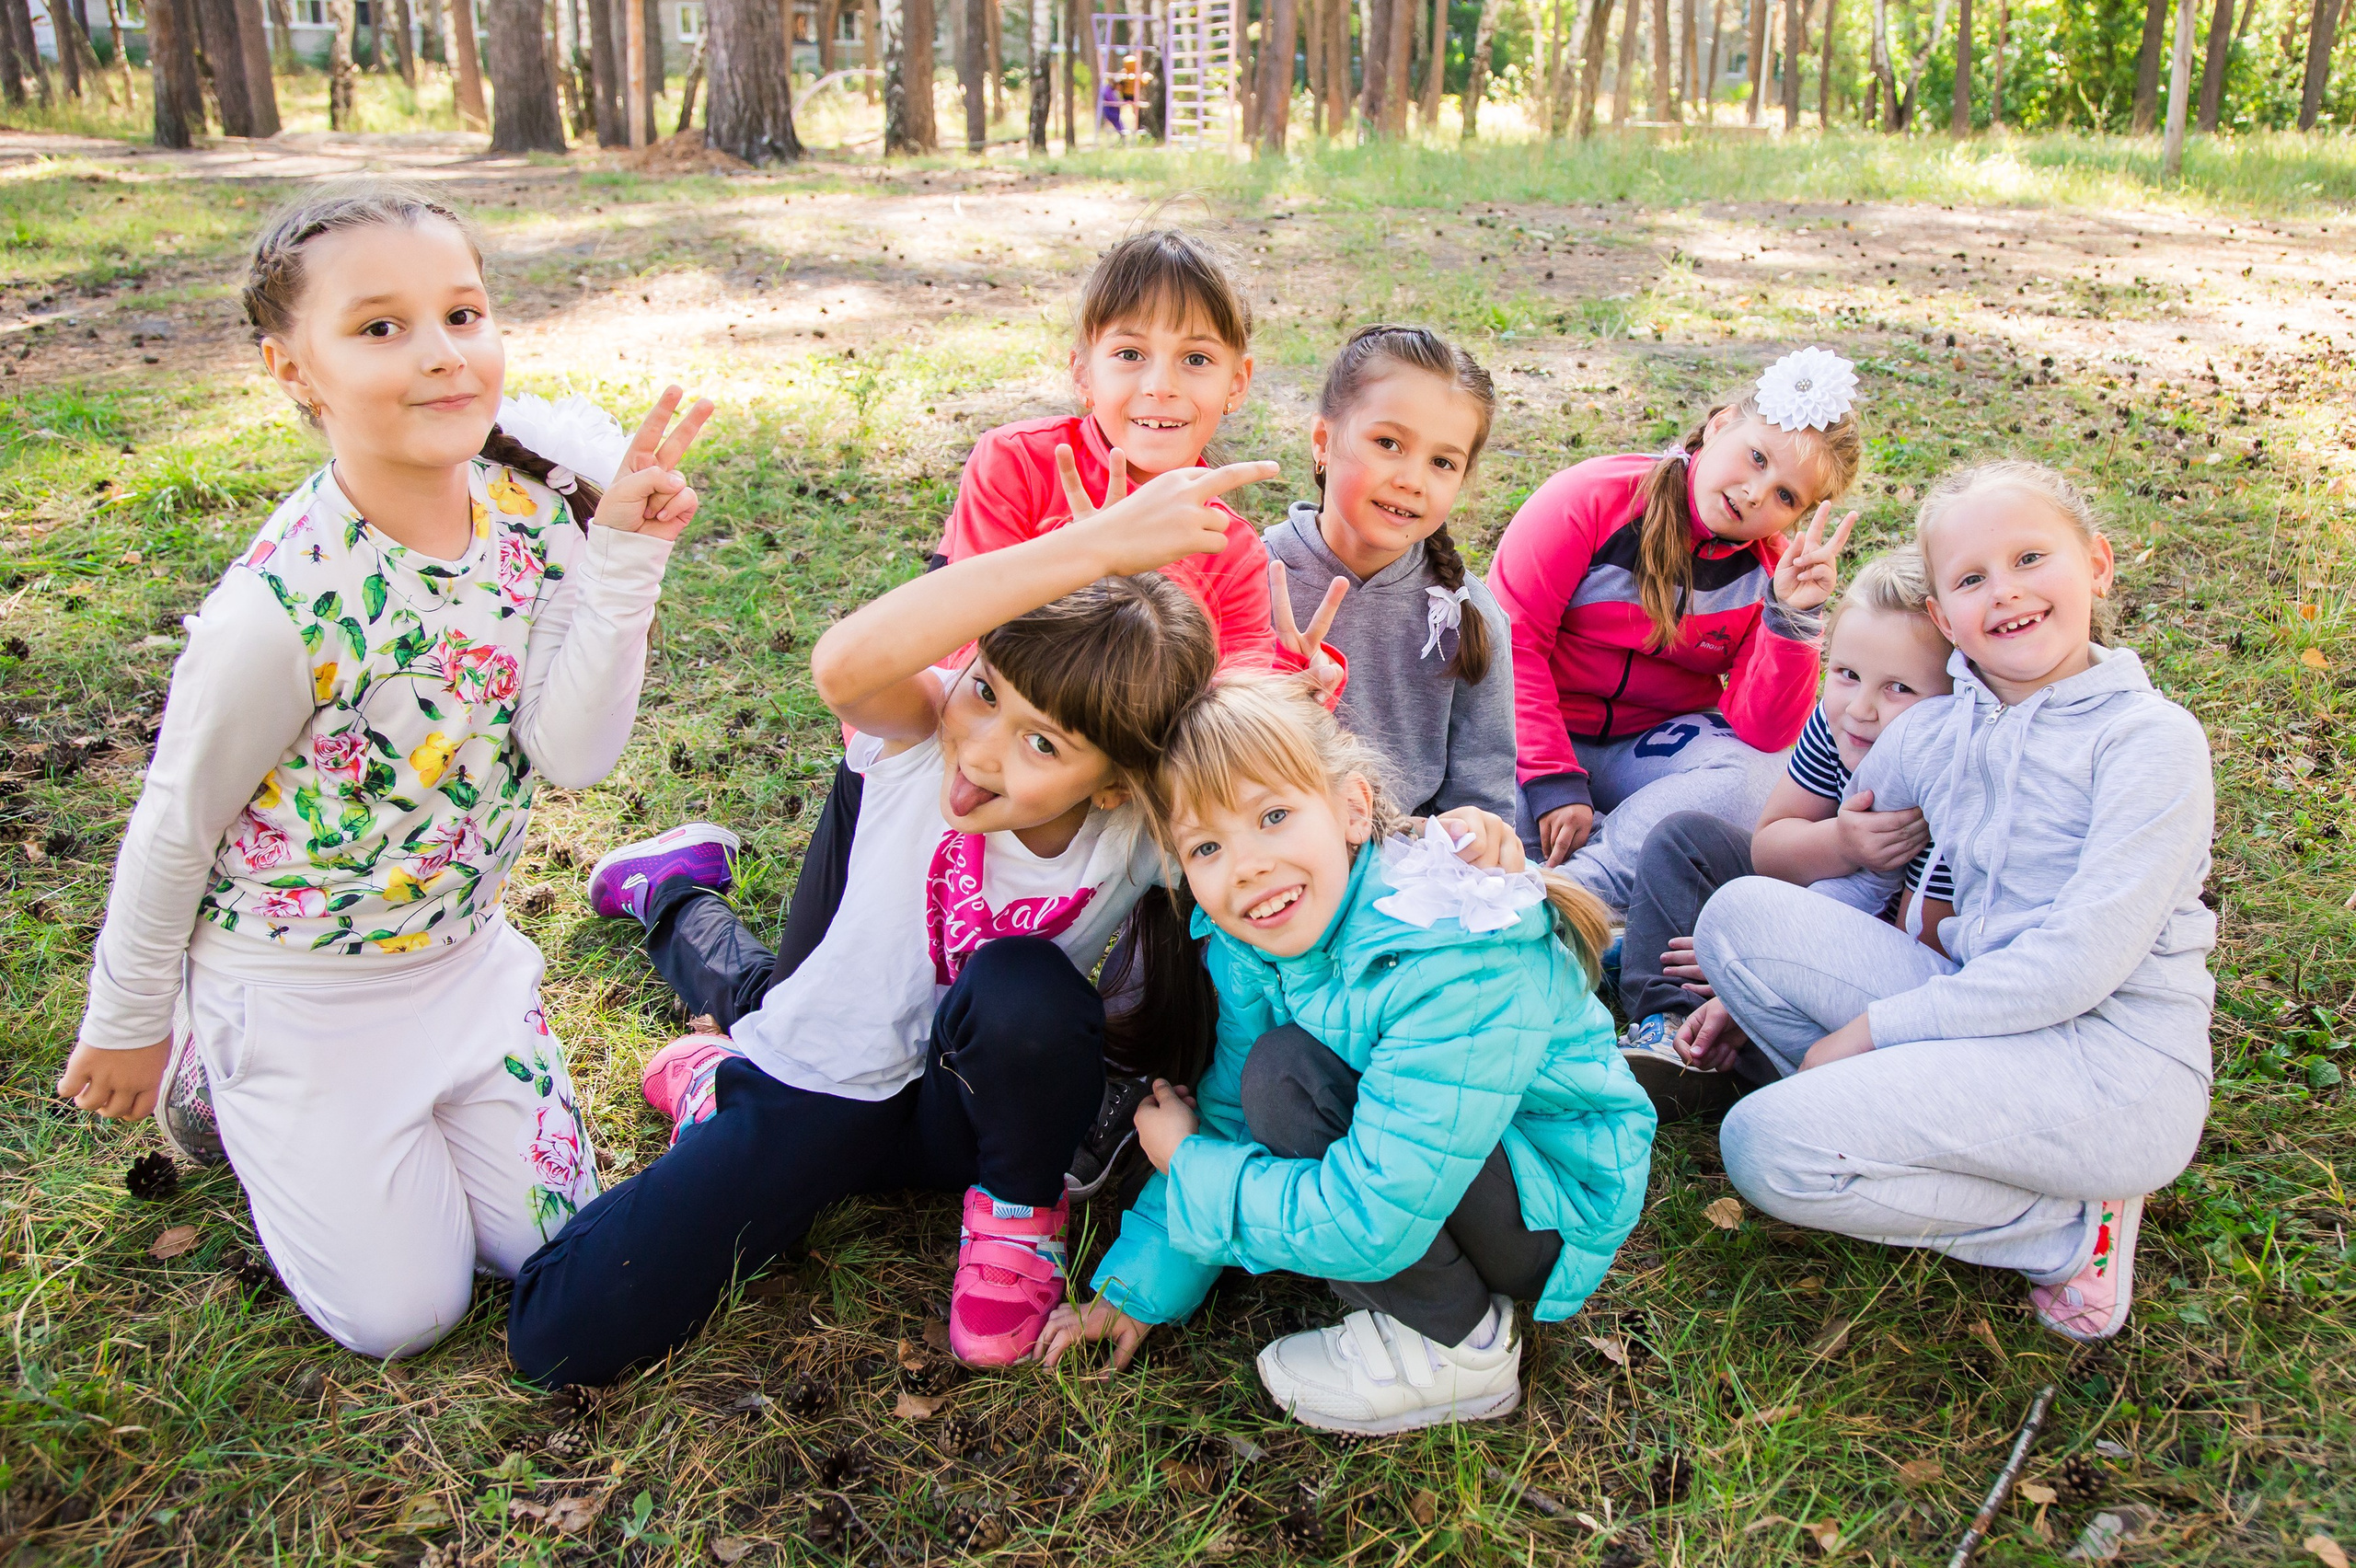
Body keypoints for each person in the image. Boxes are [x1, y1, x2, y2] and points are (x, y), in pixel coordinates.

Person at [52, 183, 711, 1359]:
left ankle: (453, 1095)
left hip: (464, 966)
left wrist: (623, 562)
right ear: (290, 369)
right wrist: (127, 1022)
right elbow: (174, 826)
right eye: (379, 328)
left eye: (463, 315)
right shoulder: (277, 607)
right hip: (303, 997)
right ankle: (221, 1084)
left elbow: (572, 753)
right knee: (404, 1316)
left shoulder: (531, 511)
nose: (442, 357)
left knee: (560, 1240)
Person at [508, 455, 1282, 1386]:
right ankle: (692, 967)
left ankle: (1016, 1218)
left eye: (1044, 744)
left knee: (1023, 985)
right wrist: (1085, 552)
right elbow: (843, 661)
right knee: (563, 1333)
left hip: (968, 1113)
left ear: (1116, 781)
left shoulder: (1135, 829)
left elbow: (1273, 832)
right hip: (823, 1081)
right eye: (988, 690)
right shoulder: (916, 735)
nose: (985, 748)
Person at [1684, 460, 2215, 1343]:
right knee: (1737, 918)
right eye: (1971, 579)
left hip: (2110, 1067)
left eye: (2031, 559)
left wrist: (1868, 1035)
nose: (2004, 594)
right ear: (1943, 618)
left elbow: (2078, 965)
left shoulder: (2149, 743)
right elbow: (1857, 874)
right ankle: (1922, 1125)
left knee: (1765, 1148)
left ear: (2098, 565)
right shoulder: (1938, 730)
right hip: (1976, 1015)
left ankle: (2069, 1231)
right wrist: (1761, 989)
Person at [1039, 680, 1656, 1435]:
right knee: (1275, 1074)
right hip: (1453, 1156)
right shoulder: (1253, 940)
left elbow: (1372, 1219)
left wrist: (1192, 1163)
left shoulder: (1451, 962)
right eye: (1206, 846)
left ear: (1352, 809)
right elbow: (1231, 1105)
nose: (1247, 866)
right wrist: (1136, 1290)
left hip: (1548, 1209)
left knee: (1284, 1080)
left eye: (1272, 816)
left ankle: (1459, 1347)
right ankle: (1438, 1307)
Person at [1488, 346, 1865, 910]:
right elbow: (1510, 642)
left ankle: (1572, 894)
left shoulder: (1771, 573)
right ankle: (1577, 875)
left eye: (1786, 496)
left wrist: (1792, 618)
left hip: (1651, 746)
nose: (1756, 494)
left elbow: (1764, 733)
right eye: (1757, 457)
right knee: (1479, 816)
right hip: (1532, 734)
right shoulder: (1589, 499)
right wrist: (1552, 777)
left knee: (1759, 781)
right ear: (1718, 428)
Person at [1615, 548, 1956, 1115]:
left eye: (1900, 689)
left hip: (1868, 977)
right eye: (1847, 674)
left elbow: (1912, 958)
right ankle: (1666, 1024)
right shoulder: (1837, 722)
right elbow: (1771, 848)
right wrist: (1842, 844)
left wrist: (1758, 968)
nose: (1861, 708)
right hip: (1805, 894)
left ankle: (1739, 1049)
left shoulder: (1947, 783)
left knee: (1849, 1049)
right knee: (1685, 843)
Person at [1263, 324, 1516, 822]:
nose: (1411, 481)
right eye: (1389, 443)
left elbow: (1484, 798)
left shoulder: (1468, 615)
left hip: (1409, 866)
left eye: (1442, 461)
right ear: (1322, 440)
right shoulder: (1249, 578)